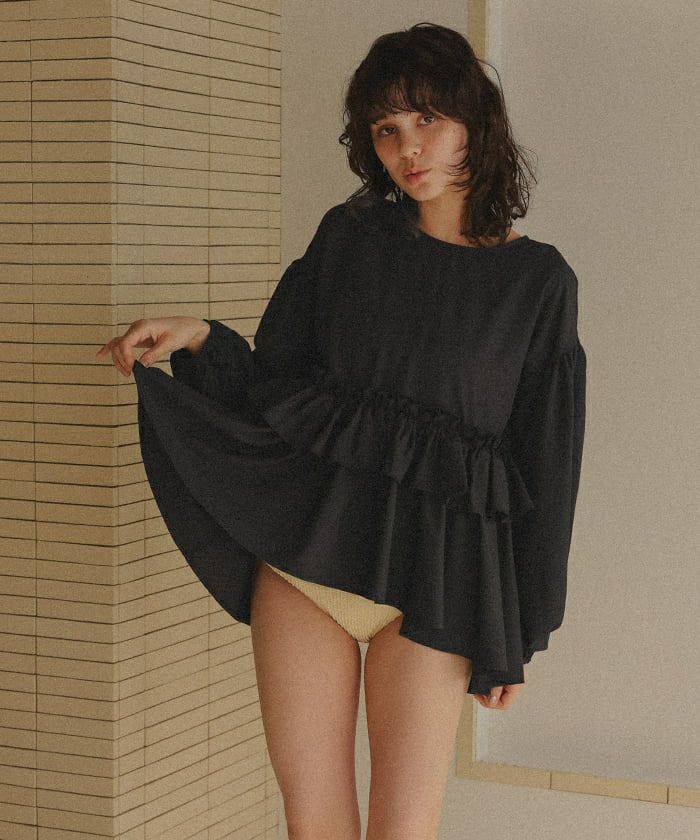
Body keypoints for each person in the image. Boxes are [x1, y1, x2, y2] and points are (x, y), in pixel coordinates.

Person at [96, 22, 586, 840]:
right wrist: (204, 339)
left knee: (404, 830)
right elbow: (278, 386)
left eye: (426, 119)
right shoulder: (349, 237)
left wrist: (522, 629)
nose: (407, 148)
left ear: (475, 119)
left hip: (434, 578)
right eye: (386, 130)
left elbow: (548, 463)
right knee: (313, 823)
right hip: (309, 555)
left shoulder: (538, 282)